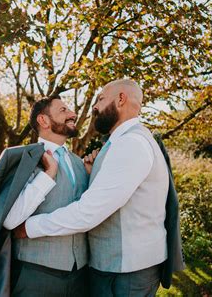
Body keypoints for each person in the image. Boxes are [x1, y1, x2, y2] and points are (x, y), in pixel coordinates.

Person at [14, 79, 185, 296]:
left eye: (101, 99)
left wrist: (29, 228)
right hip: (111, 269)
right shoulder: (119, 143)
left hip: (126, 270)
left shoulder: (129, 144)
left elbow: (89, 212)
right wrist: (90, 173)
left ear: (121, 99)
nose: (94, 107)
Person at [7, 95, 90, 297]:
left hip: (80, 275)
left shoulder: (80, 163)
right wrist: (47, 175)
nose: (73, 114)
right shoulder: (24, 159)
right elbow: (10, 220)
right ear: (43, 121)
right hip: (36, 274)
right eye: (63, 110)